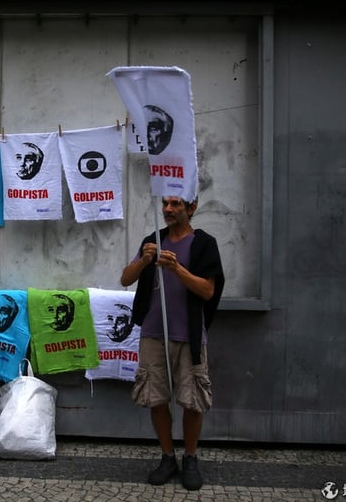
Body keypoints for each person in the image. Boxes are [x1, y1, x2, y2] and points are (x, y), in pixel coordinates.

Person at [120, 195, 224, 491]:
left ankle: (190, 458)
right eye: (165, 203)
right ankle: (168, 457)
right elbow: (125, 279)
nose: (168, 209)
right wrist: (144, 260)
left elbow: (208, 290)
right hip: (153, 333)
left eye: (176, 204)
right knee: (156, 398)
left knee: (193, 401)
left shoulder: (204, 243)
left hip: (189, 335)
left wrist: (177, 269)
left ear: (191, 208)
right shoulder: (152, 240)